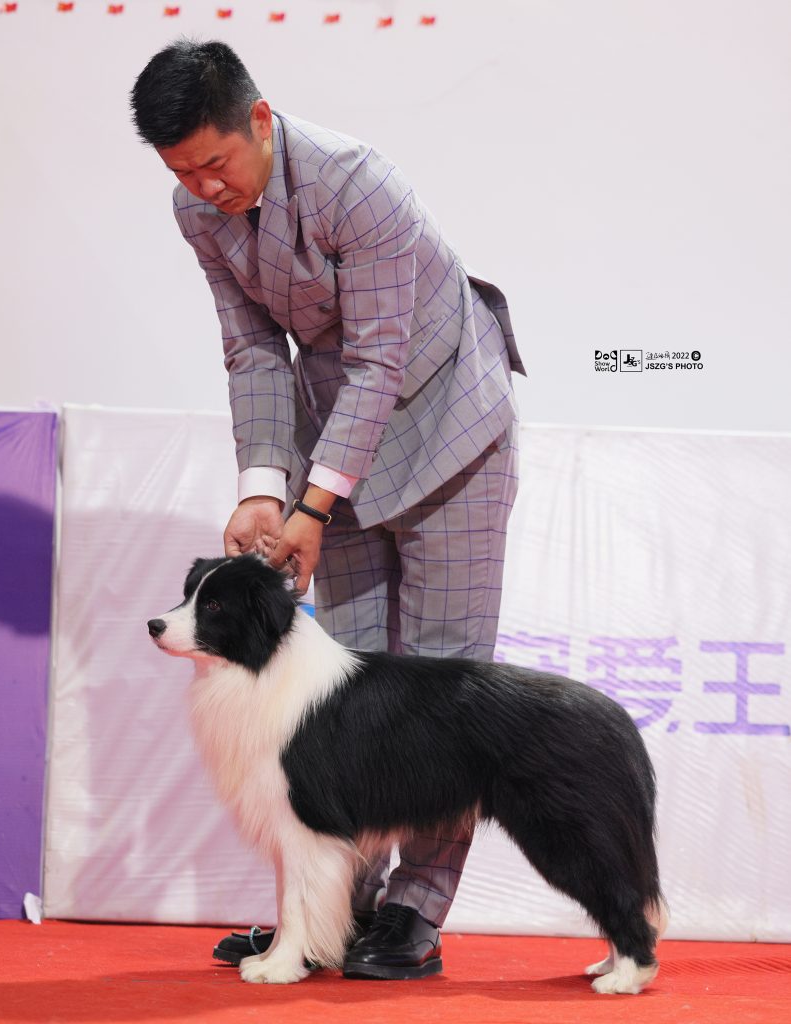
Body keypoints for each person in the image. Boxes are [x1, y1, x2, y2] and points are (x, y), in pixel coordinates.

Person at [131, 39, 526, 980]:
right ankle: (327, 912)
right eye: (182, 173)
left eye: (214, 163)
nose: (203, 188)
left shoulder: (357, 183)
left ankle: (414, 913)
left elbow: (379, 360)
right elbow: (252, 352)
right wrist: (263, 488)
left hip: (448, 432)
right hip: (338, 445)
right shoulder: (196, 211)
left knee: (439, 688)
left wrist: (312, 503)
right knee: (341, 691)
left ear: (259, 121)